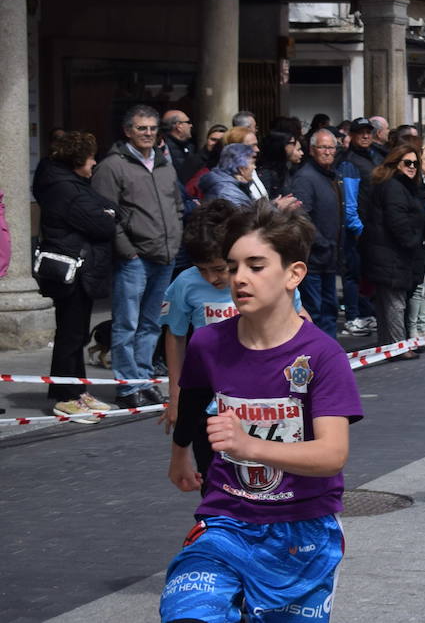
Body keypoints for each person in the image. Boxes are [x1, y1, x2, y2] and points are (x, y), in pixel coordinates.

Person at [159, 201, 363, 623]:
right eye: (233, 267)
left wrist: (250, 446)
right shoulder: (209, 344)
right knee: (189, 614)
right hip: (225, 521)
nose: (239, 279)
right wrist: (180, 452)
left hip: (302, 530)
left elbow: (331, 455)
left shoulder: (323, 356)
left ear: (294, 274)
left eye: (255, 266)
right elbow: (194, 394)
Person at [158, 200, 305, 447]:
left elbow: (299, 323)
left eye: (218, 268)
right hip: (212, 404)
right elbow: (175, 335)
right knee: (213, 477)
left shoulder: (266, 280)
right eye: (201, 270)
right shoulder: (186, 284)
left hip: (267, 401)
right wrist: (176, 395)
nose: (211, 278)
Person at [92, 104, 183, 408]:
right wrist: (127, 252)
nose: (147, 133)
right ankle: (127, 386)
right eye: (141, 128)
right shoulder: (112, 166)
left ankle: (144, 380)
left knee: (151, 324)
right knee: (126, 324)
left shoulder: (165, 164)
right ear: (127, 131)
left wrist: (177, 236)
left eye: (152, 128)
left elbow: (177, 206)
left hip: (164, 255)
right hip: (134, 258)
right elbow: (106, 215)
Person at [34, 131, 117, 423]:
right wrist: (106, 215)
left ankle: (77, 390)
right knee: (70, 335)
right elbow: (104, 225)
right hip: (71, 271)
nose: (94, 163)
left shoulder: (70, 183)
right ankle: (64, 397)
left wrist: (108, 213)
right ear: (77, 160)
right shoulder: (64, 188)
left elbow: (111, 211)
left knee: (78, 333)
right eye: (91, 157)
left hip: (79, 269)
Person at [362, 144, 425, 348]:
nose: (412, 167)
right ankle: (398, 346)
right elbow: (398, 221)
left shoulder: (407, 186)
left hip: (395, 253)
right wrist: (413, 241)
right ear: (396, 164)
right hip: (390, 254)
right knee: (395, 302)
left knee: (391, 301)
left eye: (415, 163)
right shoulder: (393, 186)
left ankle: (389, 346)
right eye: (408, 163)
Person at [290, 129, 348, 337]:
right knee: (315, 311)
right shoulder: (305, 178)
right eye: (322, 147)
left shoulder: (331, 175)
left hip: (330, 258)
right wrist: (322, 243)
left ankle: (329, 355)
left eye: (331, 147)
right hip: (313, 259)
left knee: (330, 309)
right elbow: (301, 217)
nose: (327, 152)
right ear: (312, 150)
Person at [200, 143, 258, 207]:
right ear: (241, 168)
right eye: (252, 163)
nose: (254, 167)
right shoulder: (229, 194)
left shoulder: (236, 186)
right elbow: (248, 216)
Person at [160, 110, 203, 185]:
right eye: (188, 122)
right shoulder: (163, 147)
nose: (191, 125)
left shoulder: (190, 146)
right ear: (179, 126)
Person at [257, 130, 302, 200]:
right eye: (292, 143)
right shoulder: (266, 173)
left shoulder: (284, 167)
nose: (295, 146)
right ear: (281, 145)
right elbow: (263, 204)